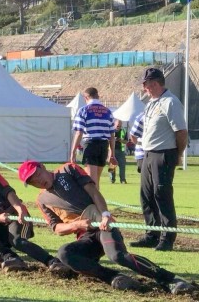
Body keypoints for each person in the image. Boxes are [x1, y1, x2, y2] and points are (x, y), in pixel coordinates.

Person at [18, 160, 193, 295]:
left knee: (118, 256)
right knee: (64, 254)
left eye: (37, 174)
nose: (38, 181)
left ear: (42, 166)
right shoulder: (41, 200)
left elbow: (94, 192)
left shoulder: (68, 170)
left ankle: (170, 279)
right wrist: (76, 224)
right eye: (32, 181)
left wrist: (105, 215)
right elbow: (56, 228)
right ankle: (114, 277)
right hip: (85, 237)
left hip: (103, 224)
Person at [130, 68, 188, 251]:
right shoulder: (152, 103)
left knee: (162, 194)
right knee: (146, 196)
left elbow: (181, 132)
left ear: (154, 83)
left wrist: (177, 155)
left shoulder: (170, 102)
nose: (144, 88)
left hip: (164, 153)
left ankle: (167, 238)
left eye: (146, 84)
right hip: (148, 154)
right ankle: (152, 234)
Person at [70, 87, 115, 190]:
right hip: (103, 146)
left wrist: (73, 152)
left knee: (91, 182)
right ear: (97, 96)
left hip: (90, 145)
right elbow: (112, 135)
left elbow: (79, 132)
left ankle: (94, 204)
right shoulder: (107, 111)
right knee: (96, 181)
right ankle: (97, 204)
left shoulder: (83, 110)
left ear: (86, 97)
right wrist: (112, 154)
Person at [109, 120, 128, 184]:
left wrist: (120, 140)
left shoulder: (124, 131)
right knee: (112, 165)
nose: (118, 127)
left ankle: (122, 180)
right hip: (112, 150)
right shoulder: (110, 131)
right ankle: (112, 179)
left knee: (122, 166)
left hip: (121, 151)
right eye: (117, 126)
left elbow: (126, 141)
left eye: (119, 126)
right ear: (114, 124)